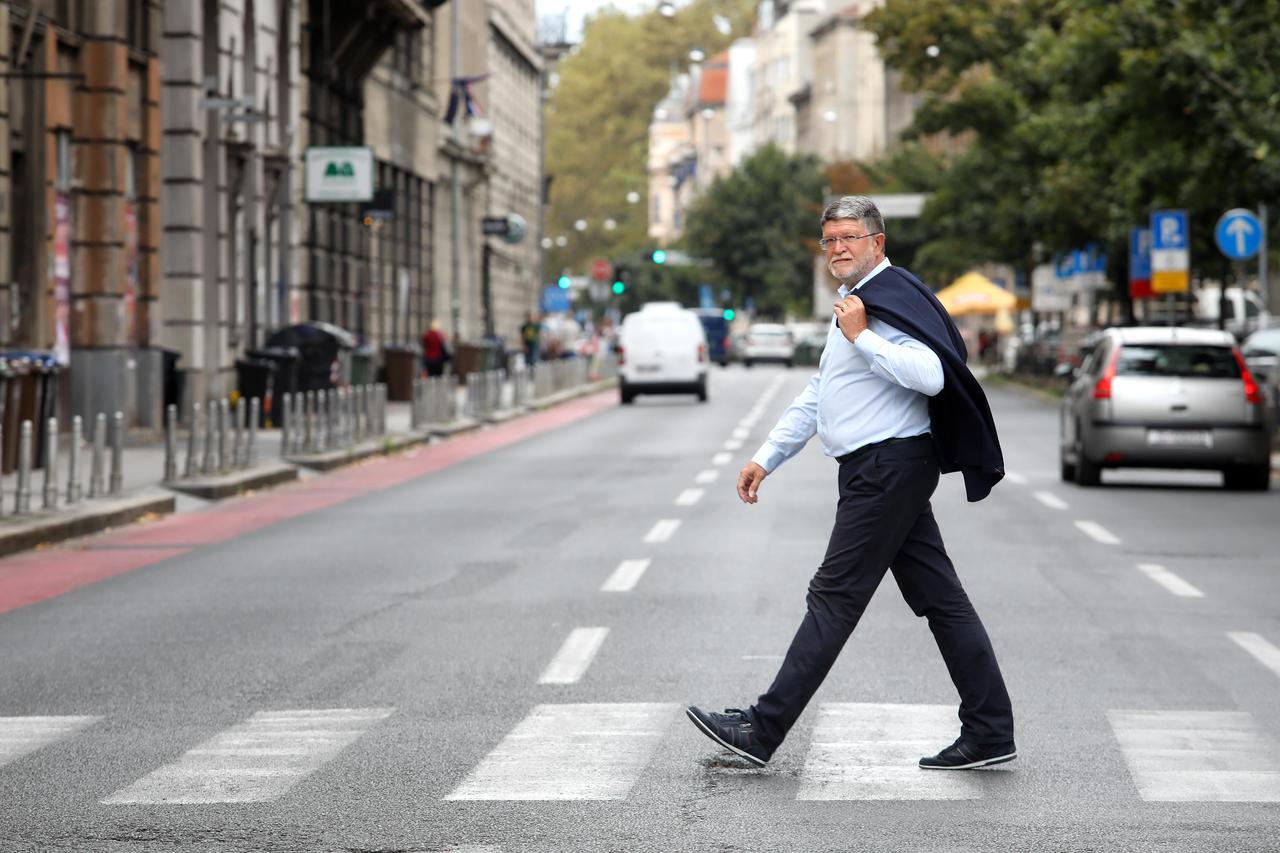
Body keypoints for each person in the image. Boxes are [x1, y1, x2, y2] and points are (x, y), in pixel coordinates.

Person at [687, 195, 1015, 772]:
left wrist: (864, 335)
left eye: (849, 239)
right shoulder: (857, 303)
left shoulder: (888, 301)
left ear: (877, 243)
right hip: (885, 471)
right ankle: (990, 730)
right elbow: (822, 393)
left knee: (833, 598)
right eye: (830, 240)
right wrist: (767, 455)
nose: (838, 249)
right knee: (943, 601)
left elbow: (933, 376)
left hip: (887, 469)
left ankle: (763, 730)